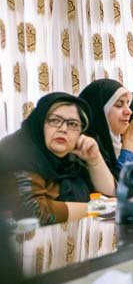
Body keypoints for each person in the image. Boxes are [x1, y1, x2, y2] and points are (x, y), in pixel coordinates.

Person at [0, 93, 115, 225]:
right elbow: (32, 212)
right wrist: (97, 208)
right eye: (55, 120)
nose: (63, 129)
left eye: (73, 124)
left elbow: (111, 194)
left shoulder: (70, 159)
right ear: (39, 123)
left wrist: (95, 160)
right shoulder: (17, 153)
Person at [79, 79, 133, 178]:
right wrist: (131, 137)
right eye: (119, 105)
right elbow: (125, 185)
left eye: (128, 104)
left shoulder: (118, 144)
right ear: (99, 112)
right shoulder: (86, 147)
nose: (129, 111)